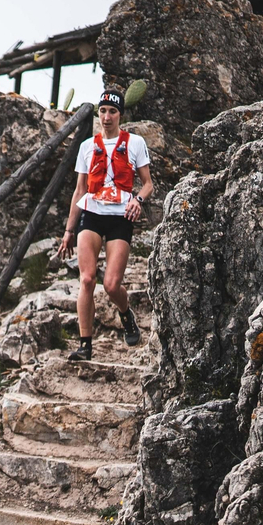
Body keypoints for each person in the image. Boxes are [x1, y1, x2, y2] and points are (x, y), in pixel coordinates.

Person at [56, 89, 154, 357]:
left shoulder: (134, 143)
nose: (107, 117)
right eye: (103, 111)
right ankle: (85, 345)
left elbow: (147, 185)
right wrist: (68, 231)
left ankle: (126, 313)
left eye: (112, 111)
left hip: (121, 217)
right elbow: (79, 191)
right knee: (86, 279)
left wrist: (138, 201)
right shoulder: (87, 146)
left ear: (120, 114)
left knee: (111, 284)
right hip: (92, 214)